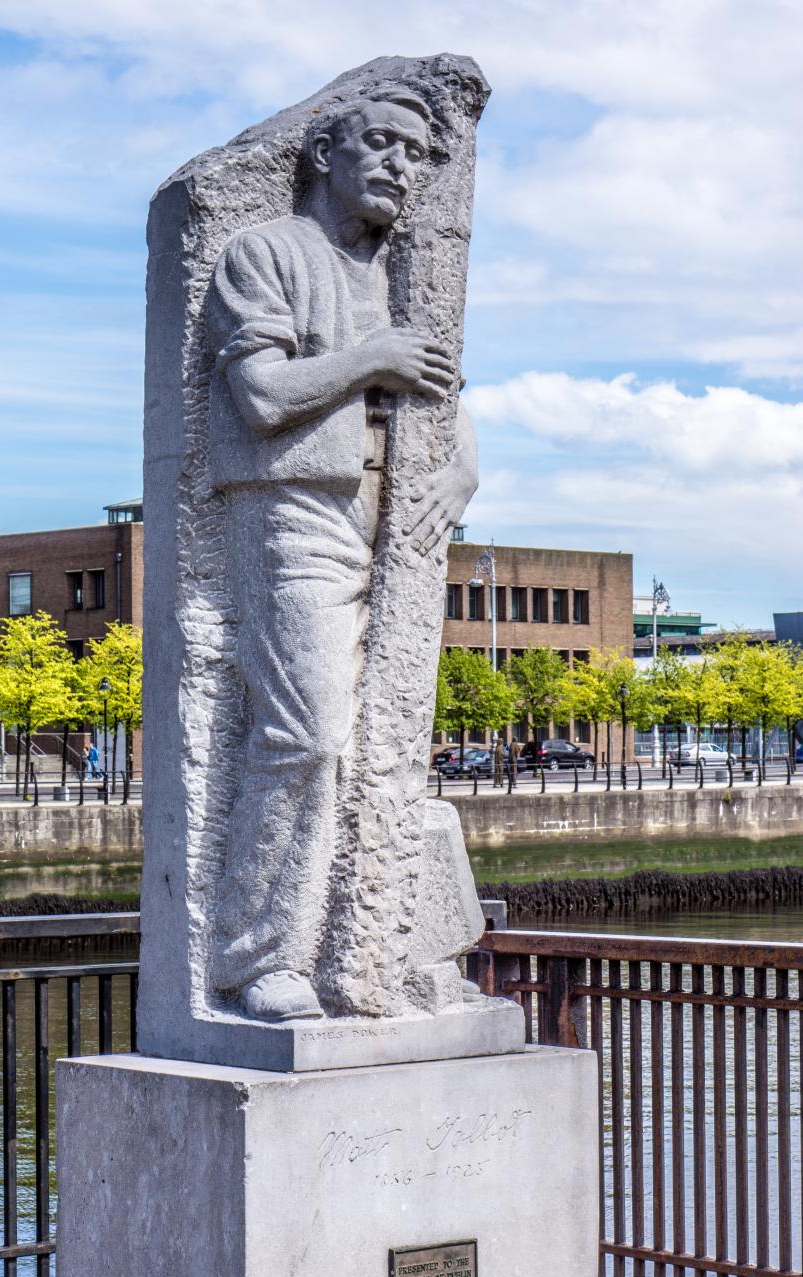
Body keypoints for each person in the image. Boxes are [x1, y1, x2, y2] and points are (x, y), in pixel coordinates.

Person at [207, 88, 478, 1022]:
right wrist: (372, 360)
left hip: (390, 521)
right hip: (298, 510)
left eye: (418, 151)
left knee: (383, 751)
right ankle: (255, 957)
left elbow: (446, 397)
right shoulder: (267, 253)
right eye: (383, 143)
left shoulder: (401, 279)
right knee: (307, 735)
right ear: (325, 152)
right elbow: (262, 398)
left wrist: (461, 478)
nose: (402, 165)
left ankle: (379, 957)